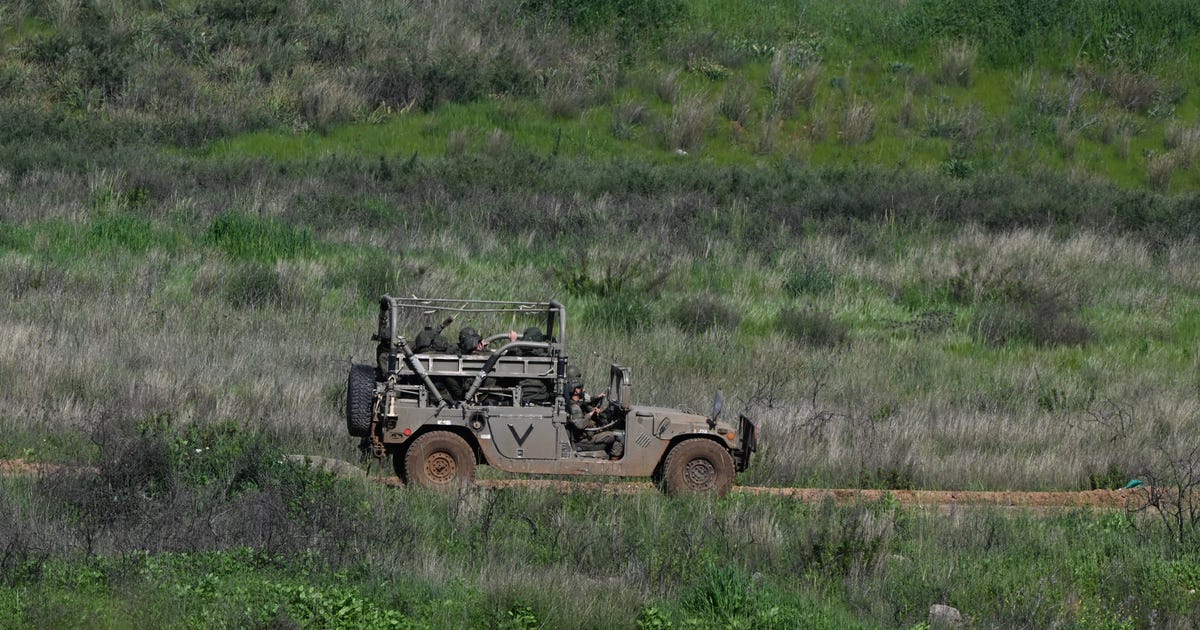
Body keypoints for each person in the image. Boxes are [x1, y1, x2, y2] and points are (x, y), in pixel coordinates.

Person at [567, 370, 622, 458]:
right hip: (583, 439)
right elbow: (580, 425)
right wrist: (591, 414)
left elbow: (585, 403)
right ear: (576, 391)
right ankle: (614, 460)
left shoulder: (575, 402)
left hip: (585, 435)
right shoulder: (574, 407)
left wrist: (596, 399)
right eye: (581, 388)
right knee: (616, 436)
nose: (584, 390)